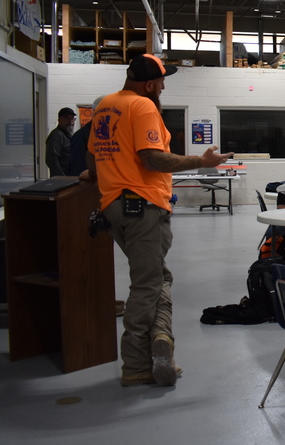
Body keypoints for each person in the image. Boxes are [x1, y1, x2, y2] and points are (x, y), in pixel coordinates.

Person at [87, 54, 233, 387]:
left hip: (114, 205)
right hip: (143, 207)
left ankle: (161, 337)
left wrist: (103, 177)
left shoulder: (106, 106)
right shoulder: (142, 106)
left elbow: (93, 157)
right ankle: (136, 364)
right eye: (163, 81)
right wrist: (201, 160)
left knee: (158, 276)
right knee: (148, 284)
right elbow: (152, 158)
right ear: (150, 84)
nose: (164, 86)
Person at [69, 96, 105, 178]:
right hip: (90, 186)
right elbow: (79, 170)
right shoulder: (81, 136)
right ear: (96, 112)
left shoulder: (105, 134)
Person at [46, 106, 76, 176]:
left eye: (72, 119)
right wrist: (62, 178)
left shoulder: (69, 135)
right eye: (67, 118)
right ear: (59, 120)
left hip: (70, 177)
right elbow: (51, 160)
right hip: (62, 180)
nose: (71, 121)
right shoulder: (56, 135)